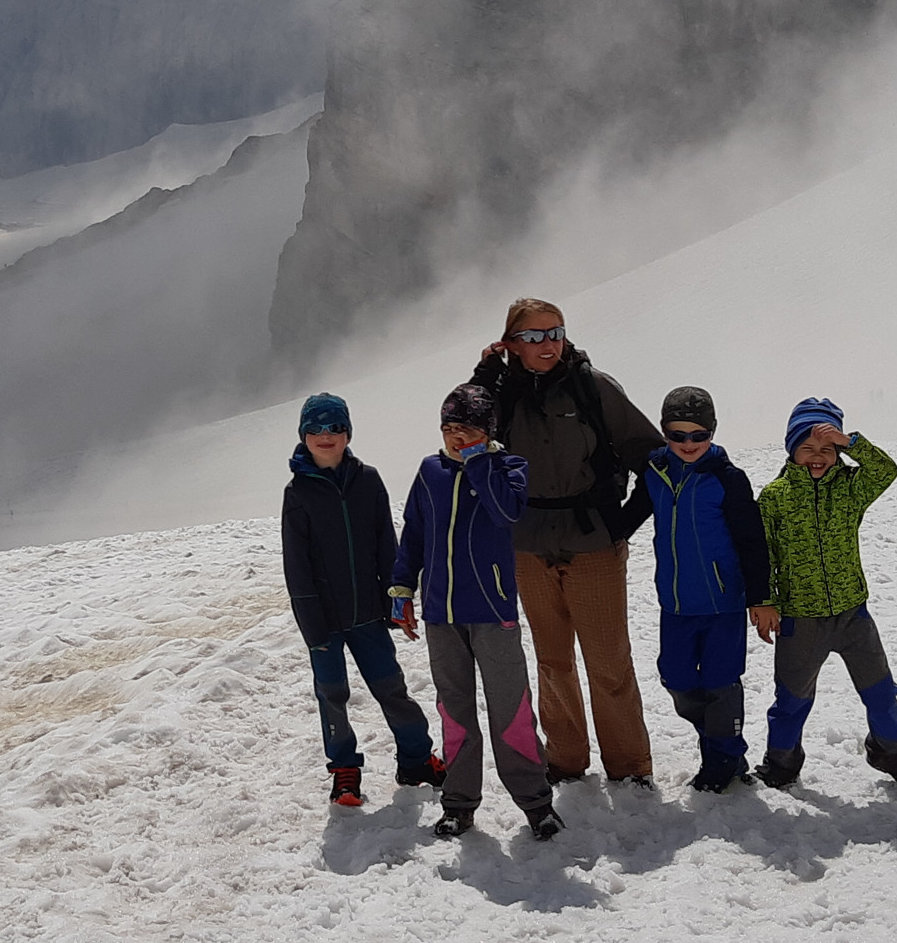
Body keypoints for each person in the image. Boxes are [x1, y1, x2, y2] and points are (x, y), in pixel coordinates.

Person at [469, 299, 666, 787]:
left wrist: (623, 523)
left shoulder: (593, 387)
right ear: (511, 343)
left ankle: (629, 766)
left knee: (608, 661)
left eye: (555, 332)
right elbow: (462, 435)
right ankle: (566, 759)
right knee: (552, 660)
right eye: (533, 336)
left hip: (593, 542)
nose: (548, 344)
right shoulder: (500, 394)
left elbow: (652, 456)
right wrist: (483, 377)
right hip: (528, 545)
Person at [388, 383, 564, 842]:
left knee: (511, 710)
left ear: (487, 432)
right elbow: (414, 533)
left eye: (466, 428)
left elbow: (507, 512)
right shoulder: (430, 471)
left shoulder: (509, 468)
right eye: (448, 428)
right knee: (454, 711)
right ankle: (459, 803)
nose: (456, 436)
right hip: (441, 615)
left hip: (492, 611)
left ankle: (536, 803)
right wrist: (402, 588)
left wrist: (480, 461)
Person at [756, 398, 897, 789]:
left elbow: (886, 470)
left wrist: (851, 442)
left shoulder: (850, 489)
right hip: (800, 619)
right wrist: (765, 601)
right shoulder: (775, 496)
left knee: (881, 691)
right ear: (792, 450)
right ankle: (782, 761)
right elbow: (763, 554)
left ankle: (889, 751)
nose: (817, 457)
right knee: (792, 698)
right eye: (808, 448)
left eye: (827, 449)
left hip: (852, 615)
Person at [281, 391, 435, 808]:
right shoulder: (298, 492)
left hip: (368, 612)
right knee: (332, 694)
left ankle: (416, 760)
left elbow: (386, 544)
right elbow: (297, 565)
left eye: (335, 427)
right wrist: (312, 626)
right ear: (303, 435)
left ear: (348, 433)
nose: (325, 436)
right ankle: (344, 771)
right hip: (323, 619)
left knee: (392, 687)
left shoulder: (368, 480)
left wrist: (397, 599)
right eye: (315, 428)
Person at [637, 385, 774, 792]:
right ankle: (719, 741)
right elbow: (631, 515)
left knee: (721, 683)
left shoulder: (727, 479)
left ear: (712, 432)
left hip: (722, 603)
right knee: (676, 679)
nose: (688, 443)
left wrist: (761, 598)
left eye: (699, 435)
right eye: (677, 435)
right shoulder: (656, 472)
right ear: (664, 432)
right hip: (676, 603)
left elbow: (752, 541)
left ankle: (723, 760)